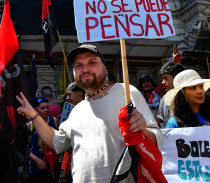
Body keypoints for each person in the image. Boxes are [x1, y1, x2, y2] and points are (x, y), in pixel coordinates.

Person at [16, 44, 162, 182]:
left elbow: (158, 138)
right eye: (79, 65)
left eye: (92, 62)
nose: (85, 69)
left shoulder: (125, 92)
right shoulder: (77, 110)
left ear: (104, 68)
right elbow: (57, 143)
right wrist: (33, 115)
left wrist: (143, 129)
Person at [164, 69, 210, 133]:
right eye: (193, 88)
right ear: (182, 94)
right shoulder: (174, 123)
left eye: (201, 86)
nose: (200, 91)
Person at [27, 97, 59, 183]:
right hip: (36, 166)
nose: (46, 110)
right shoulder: (30, 125)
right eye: (42, 108)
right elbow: (24, 147)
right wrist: (36, 159)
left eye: (47, 107)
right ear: (35, 110)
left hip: (53, 164)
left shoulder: (55, 121)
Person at [60, 82, 85, 183]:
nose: (67, 98)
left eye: (69, 94)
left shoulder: (90, 111)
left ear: (79, 95)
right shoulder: (67, 111)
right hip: (67, 163)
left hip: (83, 163)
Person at [156, 61, 184, 128]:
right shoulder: (165, 98)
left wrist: (165, 129)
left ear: (177, 78)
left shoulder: (190, 97)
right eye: (163, 79)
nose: (162, 82)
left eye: (166, 78)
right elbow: (160, 118)